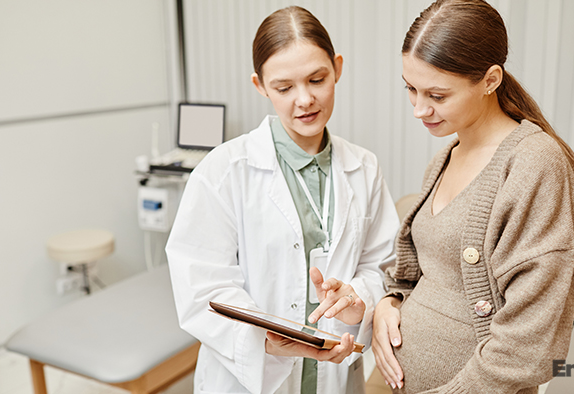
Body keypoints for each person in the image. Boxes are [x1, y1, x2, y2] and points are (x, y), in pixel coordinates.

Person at [166, 5, 400, 394]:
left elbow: (382, 265)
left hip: (336, 376)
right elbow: (201, 287)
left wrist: (359, 297)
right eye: (284, 87)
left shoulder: (365, 168)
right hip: (251, 377)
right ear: (260, 85)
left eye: (317, 79)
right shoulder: (224, 171)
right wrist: (265, 339)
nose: (304, 99)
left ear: (337, 68)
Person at [371, 1, 574, 393]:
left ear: (491, 80)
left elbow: (528, 339)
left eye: (438, 96)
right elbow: (423, 272)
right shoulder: (445, 156)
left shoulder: (535, 164)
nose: (419, 109)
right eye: (411, 88)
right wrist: (388, 303)